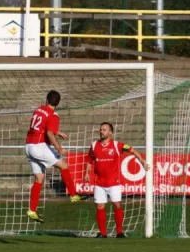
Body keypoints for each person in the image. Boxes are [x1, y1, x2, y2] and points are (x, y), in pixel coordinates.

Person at [25, 90, 86, 223]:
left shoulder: (39, 110)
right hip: (39, 146)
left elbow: (41, 126)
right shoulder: (54, 115)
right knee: (64, 166)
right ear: (58, 103)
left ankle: (32, 210)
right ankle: (73, 195)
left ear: (46, 100)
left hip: (29, 146)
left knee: (39, 178)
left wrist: (57, 132)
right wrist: (59, 148)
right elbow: (49, 134)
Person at [84, 122, 150, 238]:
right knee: (100, 206)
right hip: (99, 182)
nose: (101, 132)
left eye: (104, 130)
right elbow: (90, 160)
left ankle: (119, 232)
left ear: (110, 132)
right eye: (100, 129)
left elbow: (132, 150)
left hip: (114, 182)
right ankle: (103, 233)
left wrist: (142, 162)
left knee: (117, 204)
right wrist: (86, 173)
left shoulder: (117, 145)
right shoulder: (94, 145)